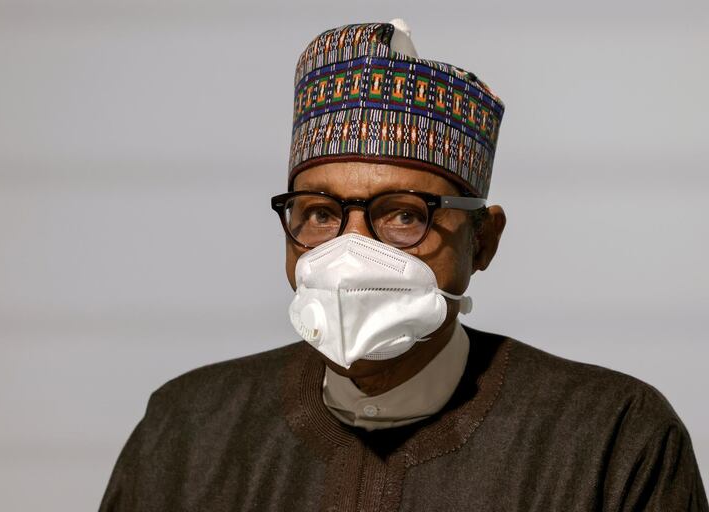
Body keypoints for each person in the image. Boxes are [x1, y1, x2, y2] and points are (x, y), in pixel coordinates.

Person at [99, 20, 707, 511]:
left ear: (483, 240)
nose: (350, 253)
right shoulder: (190, 429)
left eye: (402, 215)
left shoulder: (608, 437)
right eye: (317, 213)